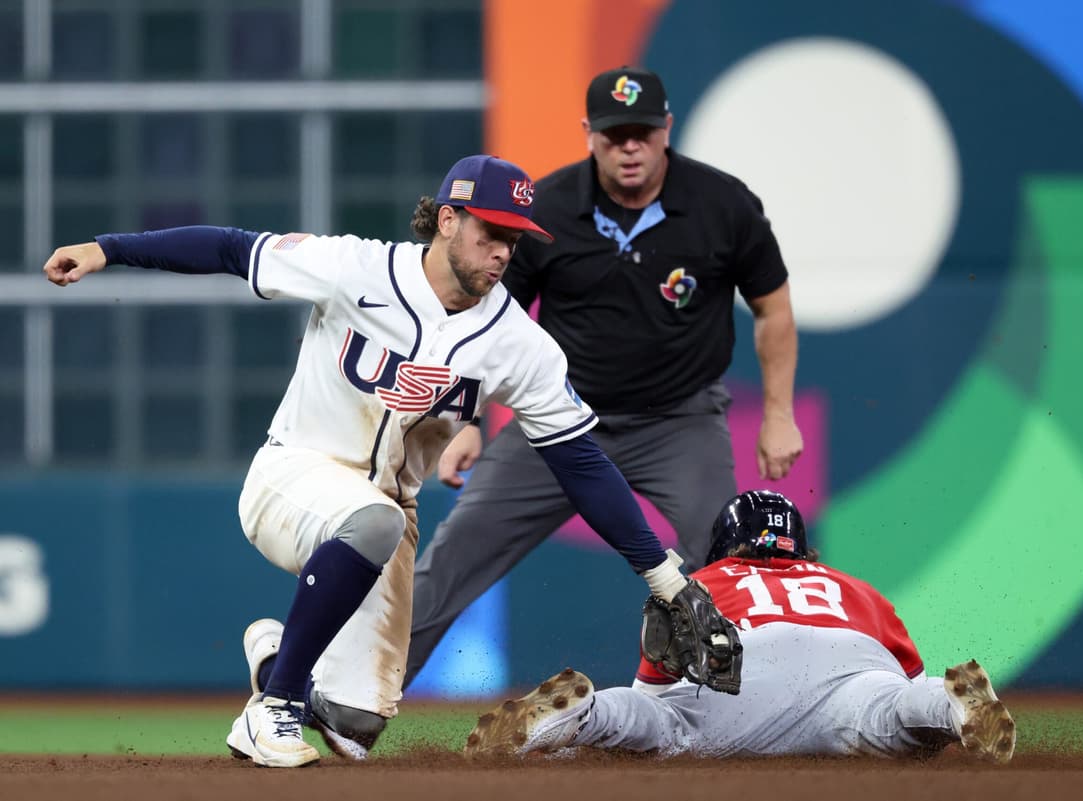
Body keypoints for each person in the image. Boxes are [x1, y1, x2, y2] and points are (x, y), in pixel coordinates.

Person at [41, 154, 735, 768]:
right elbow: (229, 248)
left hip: (385, 518)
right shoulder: (357, 268)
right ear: (448, 220)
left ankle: (279, 661)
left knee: (355, 725)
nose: (502, 253)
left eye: (513, 240)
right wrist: (107, 249)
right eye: (490, 233)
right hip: (293, 476)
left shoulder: (519, 343)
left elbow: (582, 464)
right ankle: (273, 706)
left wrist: (665, 576)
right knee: (368, 520)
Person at [405, 66, 805, 693]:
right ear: (589, 133)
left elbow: (773, 308)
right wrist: (468, 418)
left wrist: (778, 413)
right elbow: (488, 319)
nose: (630, 147)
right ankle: (360, 697)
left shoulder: (722, 205)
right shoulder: (551, 206)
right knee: (451, 558)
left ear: (666, 129)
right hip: (558, 421)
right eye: (616, 134)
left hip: (679, 420)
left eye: (642, 132)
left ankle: (754, 708)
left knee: (727, 563)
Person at [463, 490, 1017, 764]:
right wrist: (910, 705)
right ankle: (949, 706)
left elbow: (655, 687)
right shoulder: (853, 586)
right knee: (896, 708)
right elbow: (902, 669)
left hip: (741, 675)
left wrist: (633, 714)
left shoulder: (699, 581)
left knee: (659, 720)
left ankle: (583, 713)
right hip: (852, 672)